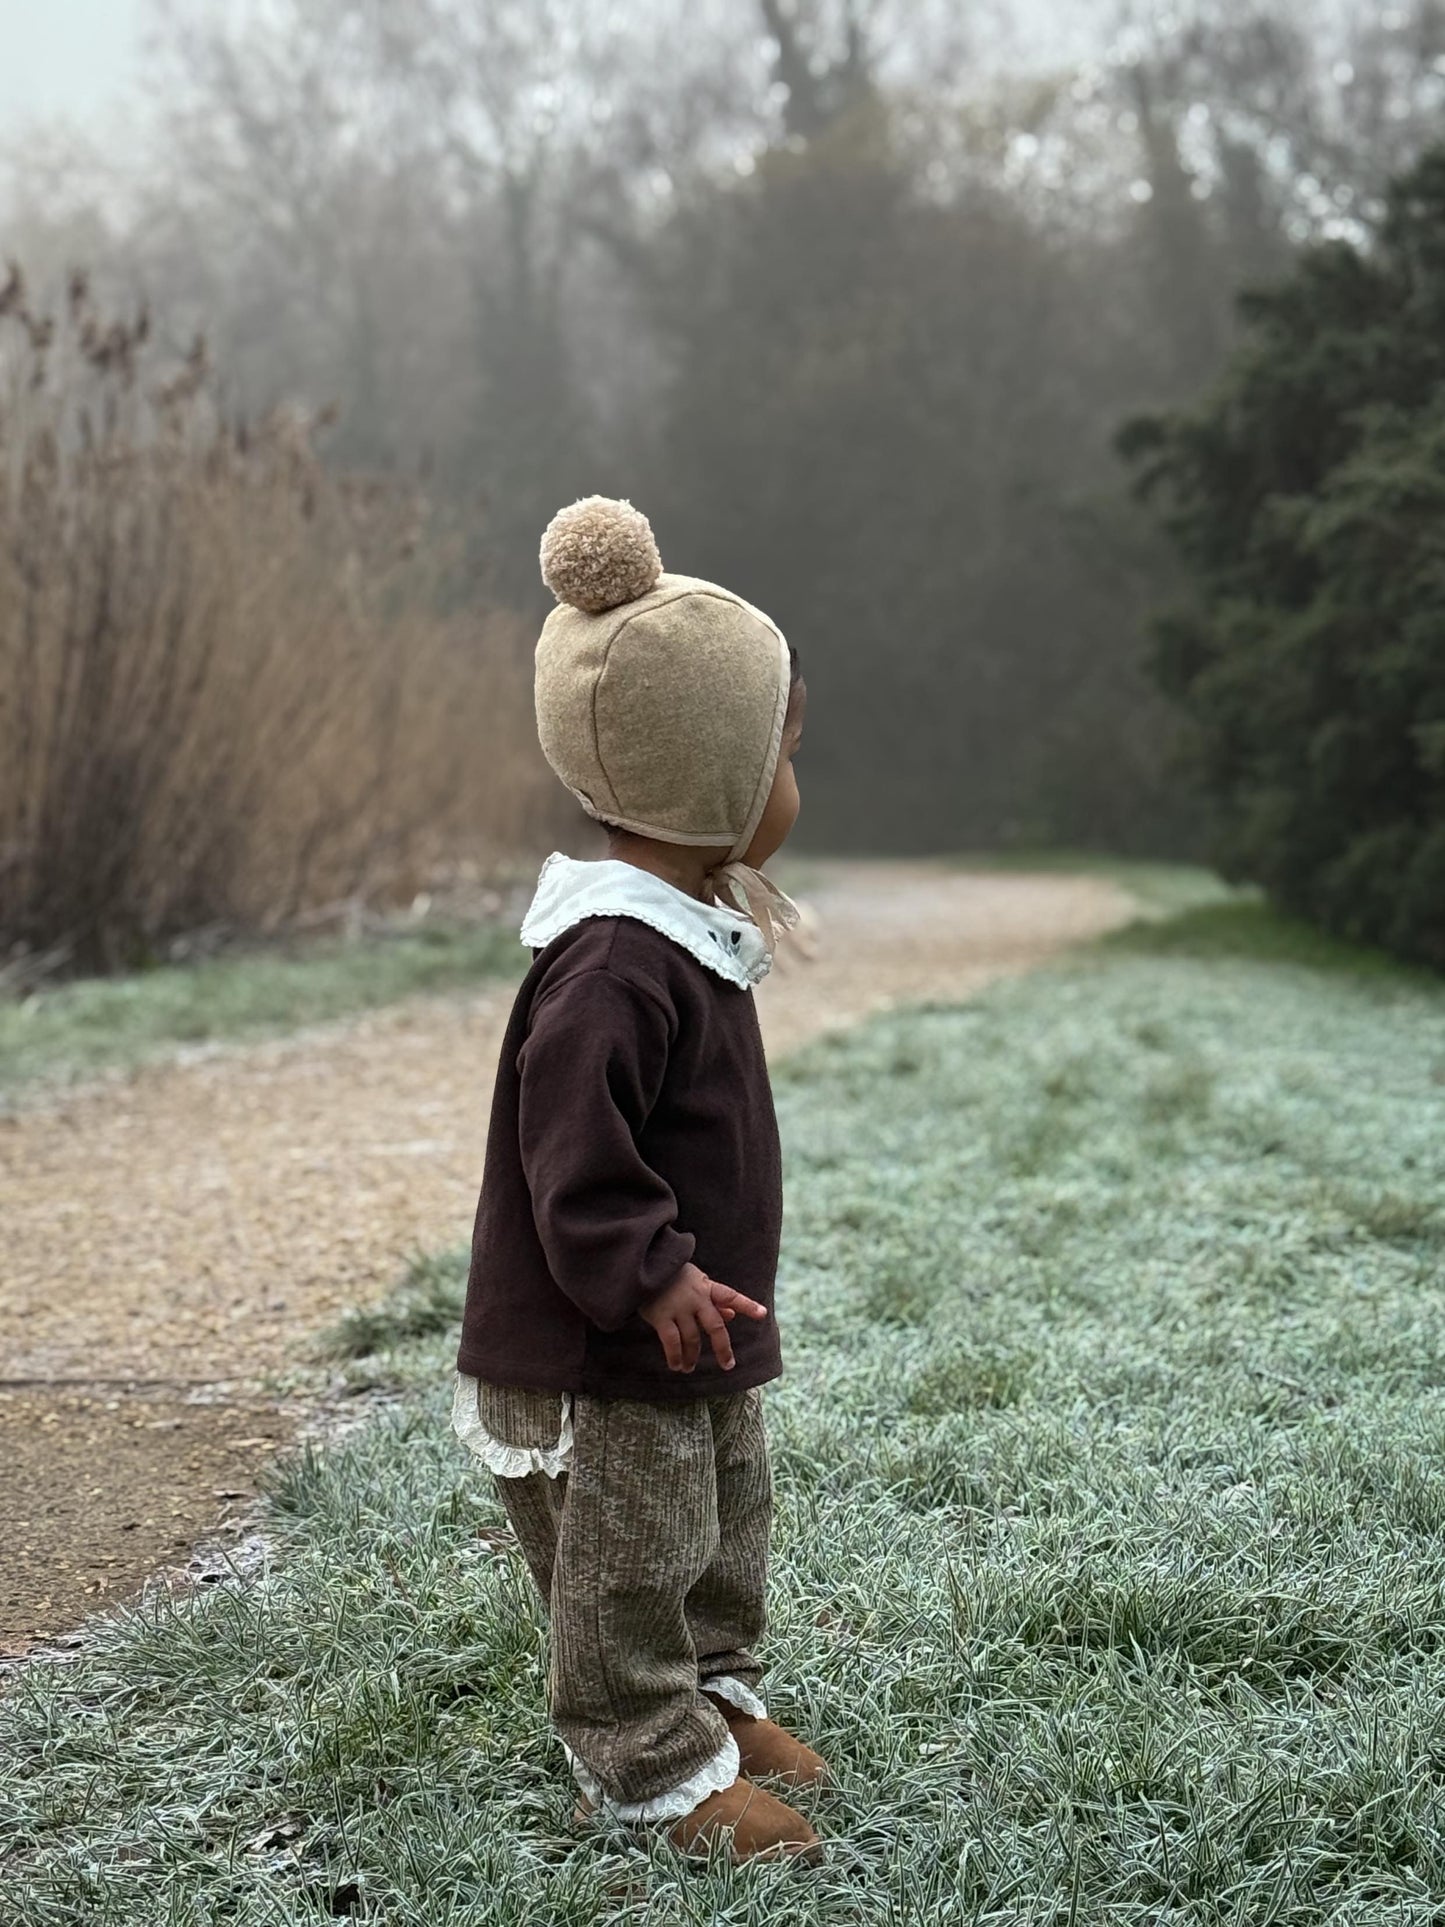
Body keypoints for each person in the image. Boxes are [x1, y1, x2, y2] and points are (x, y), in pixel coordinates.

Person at [450, 496, 827, 1864]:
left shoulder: (682, 928)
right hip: (599, 1349)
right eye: (783, 757)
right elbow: (572, 1150)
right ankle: (649, 1765)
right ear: (708, 773)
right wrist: (648, 1268)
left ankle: (714, 1696)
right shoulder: (613, 959)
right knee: (626, 1559)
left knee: (719, 1523)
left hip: (689, 1332)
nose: (795, 788)